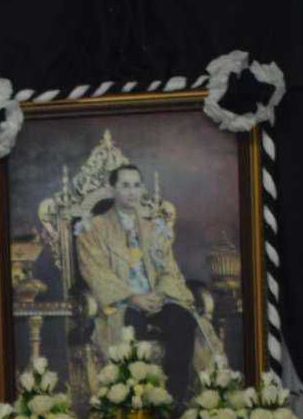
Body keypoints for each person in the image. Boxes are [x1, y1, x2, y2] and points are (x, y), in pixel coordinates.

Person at [75, 161, 214, 402]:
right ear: (112, 189)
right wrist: (131, 297)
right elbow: (95, 271)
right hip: (120, 303)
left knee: (182, 320)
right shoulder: (93, 228)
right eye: (125, 185)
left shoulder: (154, 229)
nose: (132, 192)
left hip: (156, 299)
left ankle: (175, 398)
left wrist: (159, 294)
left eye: (136, 185)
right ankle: (136, 402)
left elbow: (169, 269)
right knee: (131, 327)